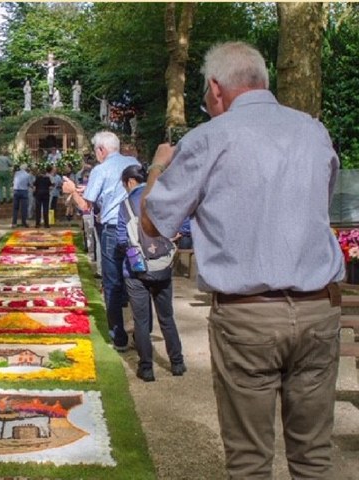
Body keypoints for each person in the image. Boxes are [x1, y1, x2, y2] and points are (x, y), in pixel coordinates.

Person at [141, 41, 344, 478]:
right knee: (314, 459)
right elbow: (319, 207)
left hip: (248, 315)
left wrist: (158, 167)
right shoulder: (313, 130)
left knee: (250, 462)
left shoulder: (211, 136)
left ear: (216, 88)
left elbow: (154, 222)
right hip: (318, 309)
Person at [63, 131, 139, 351]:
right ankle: (142, 332)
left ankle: (119, 337)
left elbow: (85, 206)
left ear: (101, 150)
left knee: (112, 282)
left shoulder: (100, 169)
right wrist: (88, 189)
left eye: (96, 150)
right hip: (135, 227)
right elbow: (118, 189)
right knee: (137, 277)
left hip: (113, 228)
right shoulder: (132, 162)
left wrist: (71, 191)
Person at [119, 164, 184, 382]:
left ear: (129, 182)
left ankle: (146, 368)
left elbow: (121, 239)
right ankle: (177, 362)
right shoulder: (163, 198)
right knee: (166, 316)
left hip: (136, 270)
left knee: (141, 321)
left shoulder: (126, 204)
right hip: (162, 267)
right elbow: (184, 226)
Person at [11, 163, 32, 228]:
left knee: (15, 208)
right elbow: (29, 183)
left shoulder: (16, 173)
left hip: (16, 190)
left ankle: (14, 223)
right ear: (26, 168)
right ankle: (24, 222)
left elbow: (14, 181)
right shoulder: (27, 175)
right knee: (24, 208)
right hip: (24, 191)